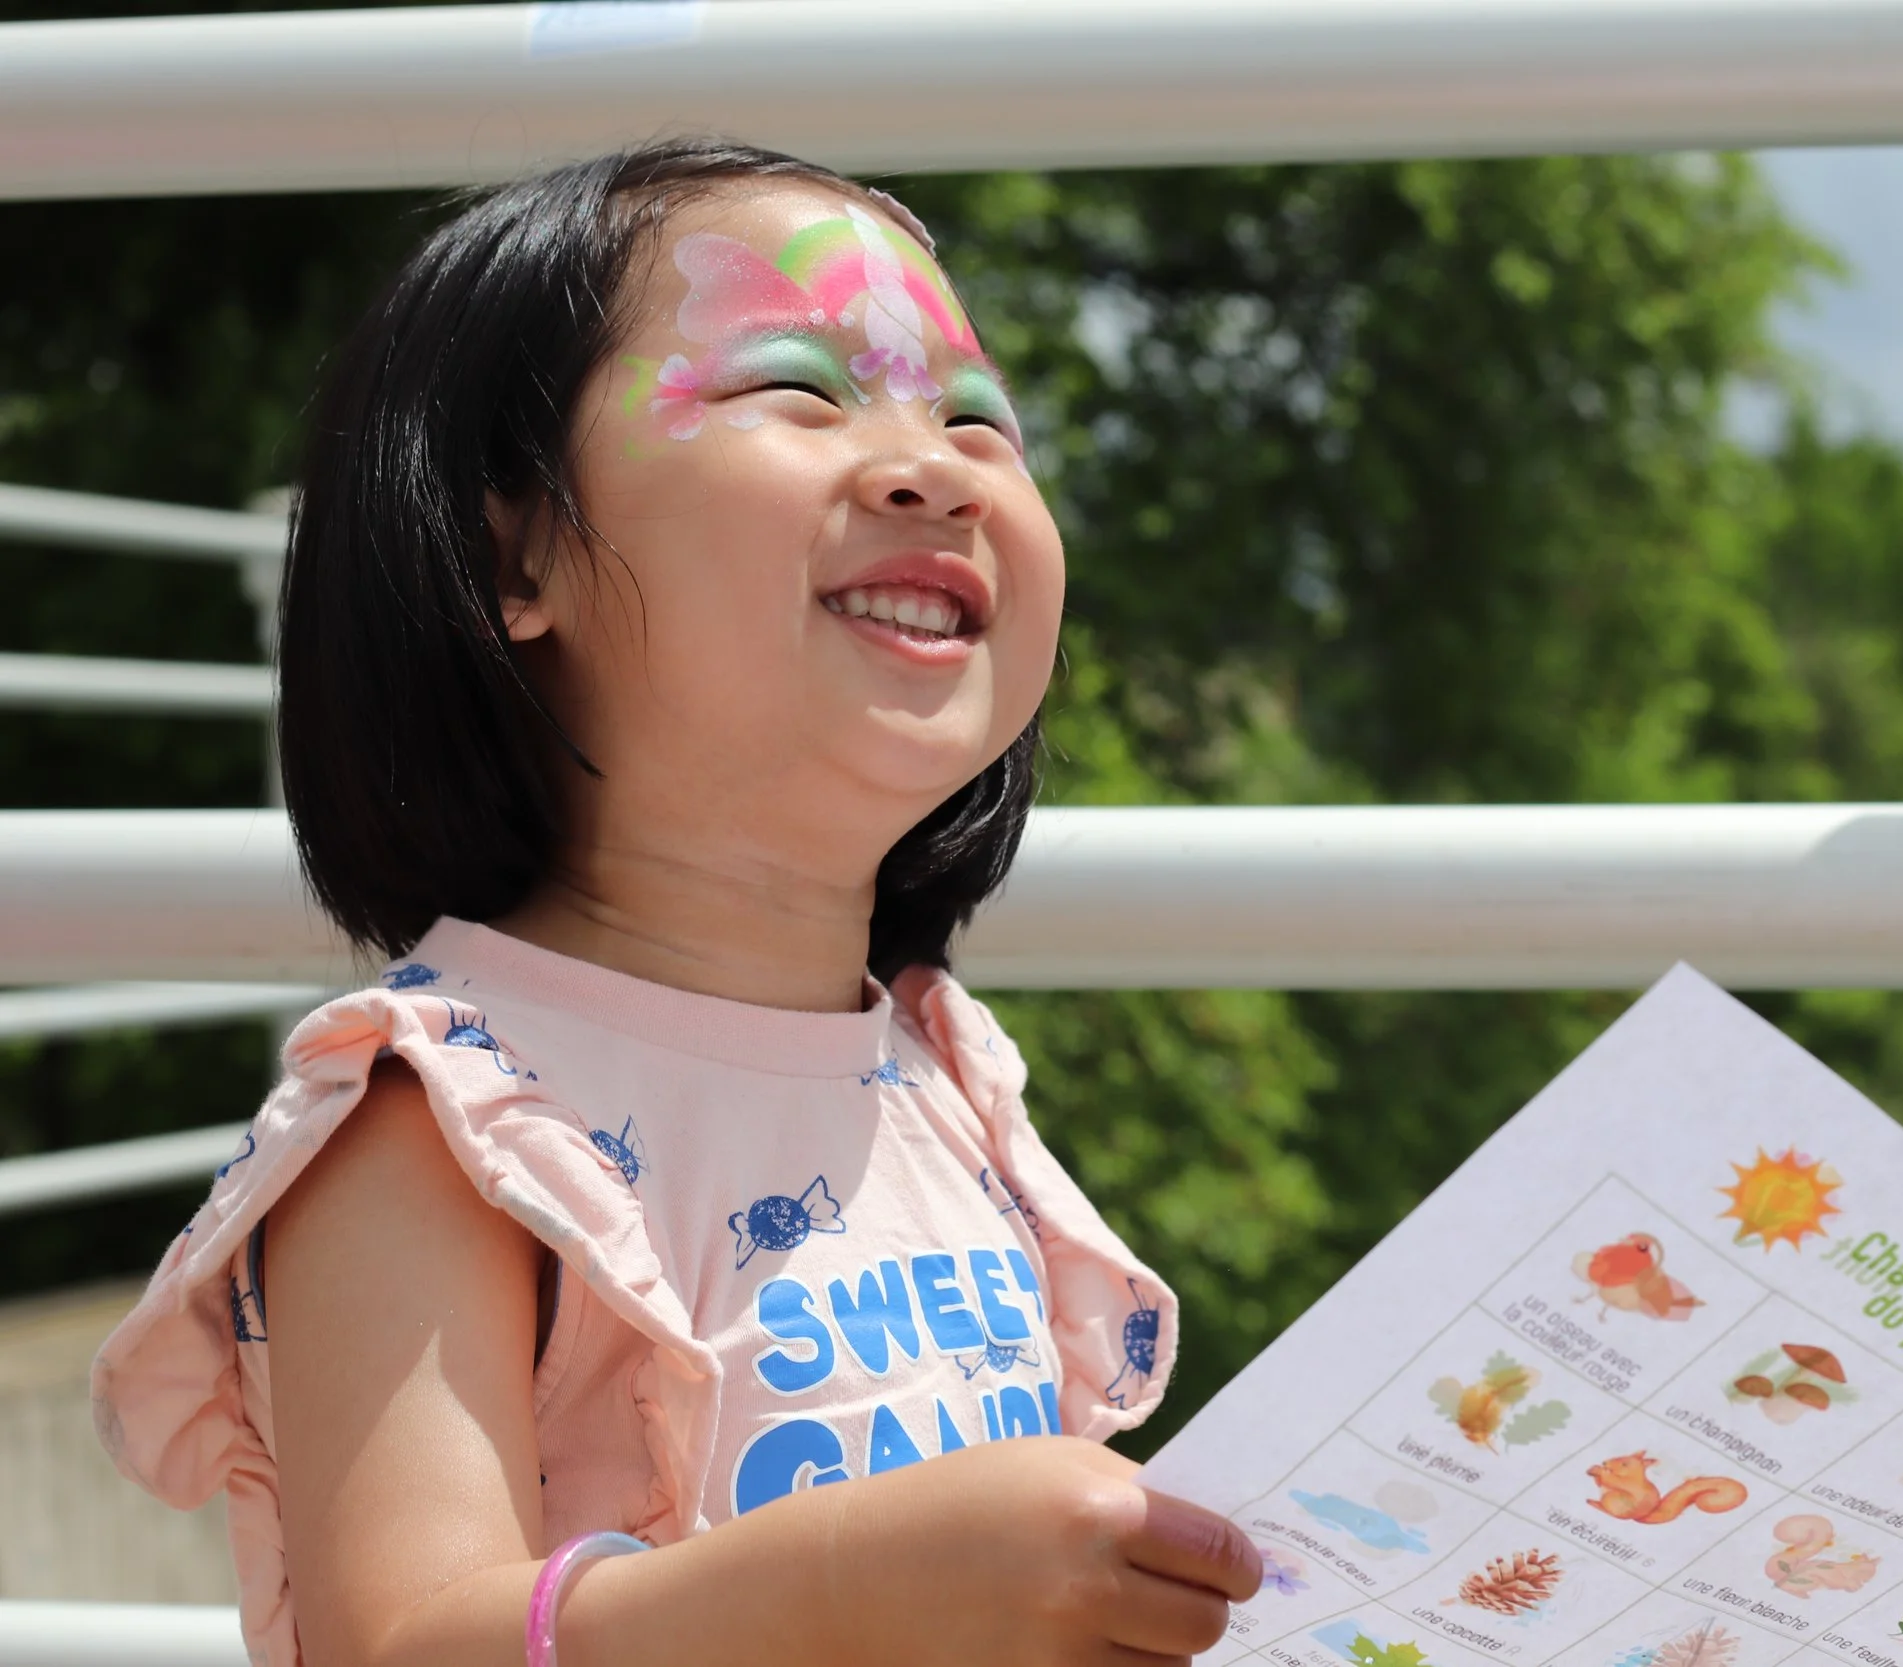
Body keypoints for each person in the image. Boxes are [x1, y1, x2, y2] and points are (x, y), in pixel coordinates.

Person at [90, 140, 1261, 1667]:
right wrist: (853, 1586)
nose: (938, 462)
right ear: (517, 552)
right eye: (798, 389)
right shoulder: (435, 1125)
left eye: (978, 414)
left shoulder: (946, 1081)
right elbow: (404, 1644)